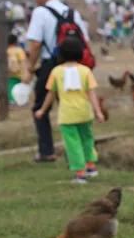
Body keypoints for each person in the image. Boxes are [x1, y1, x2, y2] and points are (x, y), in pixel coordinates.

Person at [23, 0, 90, 162]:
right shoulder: (71, 12)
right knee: (70, 106)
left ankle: (46, 151)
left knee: (40, 107)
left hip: (50, 65)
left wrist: (30, 67)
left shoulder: (40, 12)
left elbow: (35, 43)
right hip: (73, 66)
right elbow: (85, 41)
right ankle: (78, 150)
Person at [32, 37, 105, 183]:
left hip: (67, 116)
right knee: (87, 139)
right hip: (85, 113)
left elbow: (51, 94)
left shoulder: (56, 72)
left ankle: (80, 173)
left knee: (73, 143)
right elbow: (91, 93)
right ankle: (91, 166)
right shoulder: (85, 71)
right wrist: (98, 112)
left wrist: (42, 110)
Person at [6, 34, 26, 103]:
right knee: (18, 85)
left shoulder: (6, 50)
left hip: (9, 71)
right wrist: (24, 72)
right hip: (18, 72)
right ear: (16, 41)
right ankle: (16, 98)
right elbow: (23, 62)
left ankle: (11, 99)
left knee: (11, 85)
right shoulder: (19, 50)